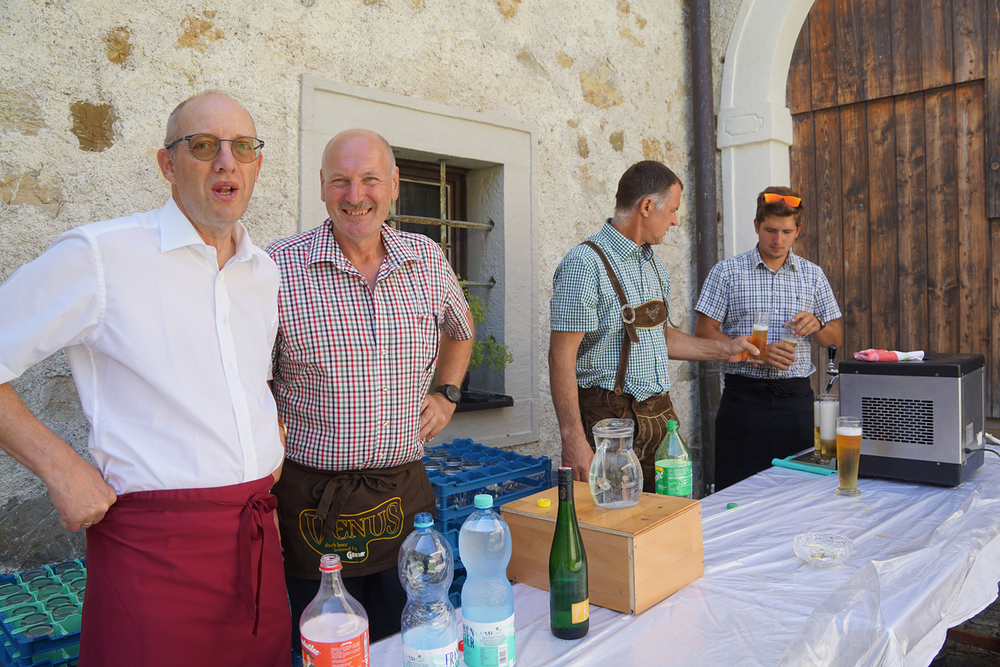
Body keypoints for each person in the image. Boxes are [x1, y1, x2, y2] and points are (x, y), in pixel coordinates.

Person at [0, 92, 290, 665]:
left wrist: (265, 447)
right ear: (167, 164)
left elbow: (244, 381)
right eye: (203, 146)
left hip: (256, 540)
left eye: (242, 147)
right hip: (154, 554)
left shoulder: (263, 272)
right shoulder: (101, 256)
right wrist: (60, 468)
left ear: (257, 164)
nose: (226, 161)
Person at [268, 128, 474, 644]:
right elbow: (251, 377)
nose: (355, 195)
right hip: (311, 503)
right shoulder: (277, 267)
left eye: (370, 180)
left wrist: (447, 393)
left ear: (395, 185)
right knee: (327, 646)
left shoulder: (426, 259)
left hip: (401, 501)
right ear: (322, 185)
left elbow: (461, 328)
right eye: (341, 181)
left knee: (409, 640)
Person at [549, 160, 756, 492]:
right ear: (646, 206)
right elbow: (561, 356)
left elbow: (661, 337)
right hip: (608, 423)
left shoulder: (654, 265)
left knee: (668, 515)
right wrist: (572, 437)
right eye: (672, 210)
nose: (675, 220)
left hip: (660, 418)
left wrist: (725, 349)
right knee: (614, 518)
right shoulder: (584, 264)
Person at [695, 186, 843, 490]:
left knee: (801, 493)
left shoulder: (813, 275)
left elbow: (834, 338)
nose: (778, 240)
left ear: (798, 230)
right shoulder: (727, 272)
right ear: (756, 226)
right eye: (770, 230)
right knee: (737, 493)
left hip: (796, 403)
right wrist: (757, 353)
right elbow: (703, 332)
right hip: (742, 402)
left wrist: (817, 324)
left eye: (787, 232)